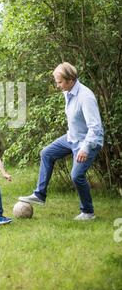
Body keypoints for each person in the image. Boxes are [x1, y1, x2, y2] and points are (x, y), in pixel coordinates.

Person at [20, 62, 104, 220]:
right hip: (72, 137)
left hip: (88, 141)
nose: (57, 85)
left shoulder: (86, 97)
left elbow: (95, 127)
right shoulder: (69, 91)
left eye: (59, 82)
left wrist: (85, 149)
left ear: (70, 79)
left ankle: (88, 212)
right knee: (47, 153)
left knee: (76, 175)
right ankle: (39, 194)